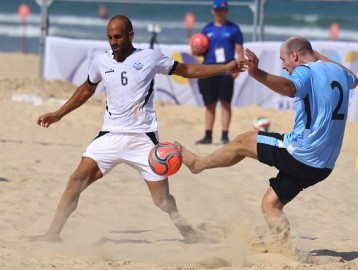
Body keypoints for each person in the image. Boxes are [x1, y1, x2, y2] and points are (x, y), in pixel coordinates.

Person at [20, 15, 240, 243]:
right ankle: (52, 235)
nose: (113, 42)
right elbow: (86, 89)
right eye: (109, 37)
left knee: (162, 201)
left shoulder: (149, 57)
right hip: (110, 135)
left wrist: (225, 68)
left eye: (118, 37)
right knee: (76, 180)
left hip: (143, 139)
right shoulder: (101, 61)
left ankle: (188, 232)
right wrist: (58, 114)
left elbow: (186, 70)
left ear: (130, 36)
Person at [178, 36, 358, 252]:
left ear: (295, 56)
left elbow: (289, 88)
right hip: (323, 166)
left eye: (284, 60)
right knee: (270, 204)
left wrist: (257, 73)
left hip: (301, 152)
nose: (284, 66)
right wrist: (319, 56)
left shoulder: (305, 70)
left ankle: (198, 164)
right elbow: (354, 80)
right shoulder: (338, 72)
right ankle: (283, 251)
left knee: (243, 141)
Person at [192, 0, 244, 145]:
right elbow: (198, 50)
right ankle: (208, 135)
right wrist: (195, 50)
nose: (219, 13)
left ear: (226, 11)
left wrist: (238, 69)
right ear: (212, 11)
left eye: (222, 10)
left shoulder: (234, 29)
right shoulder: (207, 29)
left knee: (225, 103)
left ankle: (225, 135)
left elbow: (240, 51)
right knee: (210, 104)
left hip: (227, 70)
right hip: (208, 70)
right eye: (217, 10)